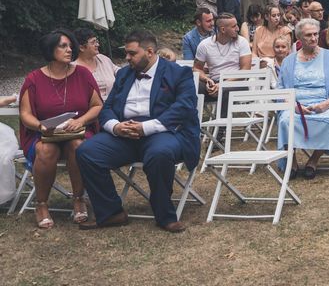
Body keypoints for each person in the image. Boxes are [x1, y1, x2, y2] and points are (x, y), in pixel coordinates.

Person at [76, 30, 199, 233]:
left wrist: (145, 128)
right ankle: (110, 212)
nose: (127, 58)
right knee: (87, 152)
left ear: (149, 51)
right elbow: (107, 108)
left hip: (163, 131)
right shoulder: (124, 74)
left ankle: (164, 215)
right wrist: (116, 127)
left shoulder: (178, 73)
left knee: (159, 154)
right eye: (126, 53)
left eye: (132, 53)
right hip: (125, 133)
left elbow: (184, 107)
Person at [19, 29, 103, 229]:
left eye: (70, 45)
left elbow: (97, 106)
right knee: (46, 150)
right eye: (63, 46)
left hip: (77, 131)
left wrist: (81, 121)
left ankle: (78, 199)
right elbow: (25, 114)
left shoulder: (82, 74)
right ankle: (41, 204)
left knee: (77, 146)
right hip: (45, 134)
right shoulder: (34, 79)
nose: (69, 49)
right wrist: (40, 125)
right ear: (50, 49)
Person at [277, 19, 329, 179]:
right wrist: (293, 106)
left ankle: (314, 159)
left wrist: (328, 103)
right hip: (295, 104)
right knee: (285, 120)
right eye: (309, 35)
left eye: (316, 34)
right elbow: (280, 89)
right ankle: (292, 161)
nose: (314, 38)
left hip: (325, 103)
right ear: (300, 38)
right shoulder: (289, 61)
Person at [194, 13, 252, 116]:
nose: (238, 29)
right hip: (213, 82)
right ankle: (191, 126)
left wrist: (222, 85)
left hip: (236, 83)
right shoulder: (205, 45)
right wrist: (207, 80)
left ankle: (221, 129)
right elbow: (197, 68)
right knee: (191, 87)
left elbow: (245, 71)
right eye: (234, 26)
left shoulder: (242, 42)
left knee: (225, 91)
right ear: (223, 29)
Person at [73, 28, 120, 101]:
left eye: (97, 41)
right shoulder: (73, 68)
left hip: (113, 105)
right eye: (93, 42)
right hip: (91, 109)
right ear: (81, 48)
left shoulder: (103, 59)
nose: (97, 44)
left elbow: (120, 72)